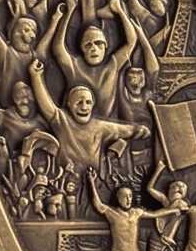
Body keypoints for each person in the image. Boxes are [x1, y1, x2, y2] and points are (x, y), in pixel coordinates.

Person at [25, 51, 149, 189]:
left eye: (88, 102)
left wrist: (140, 130)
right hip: (67, 182)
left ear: (93, 105)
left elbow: (126, 130)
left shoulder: (100, 126)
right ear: (69, 104)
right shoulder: (61, 120)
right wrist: (36, 76)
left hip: (94, 181)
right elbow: (45, 103)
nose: (84, 107)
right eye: (79, 102)